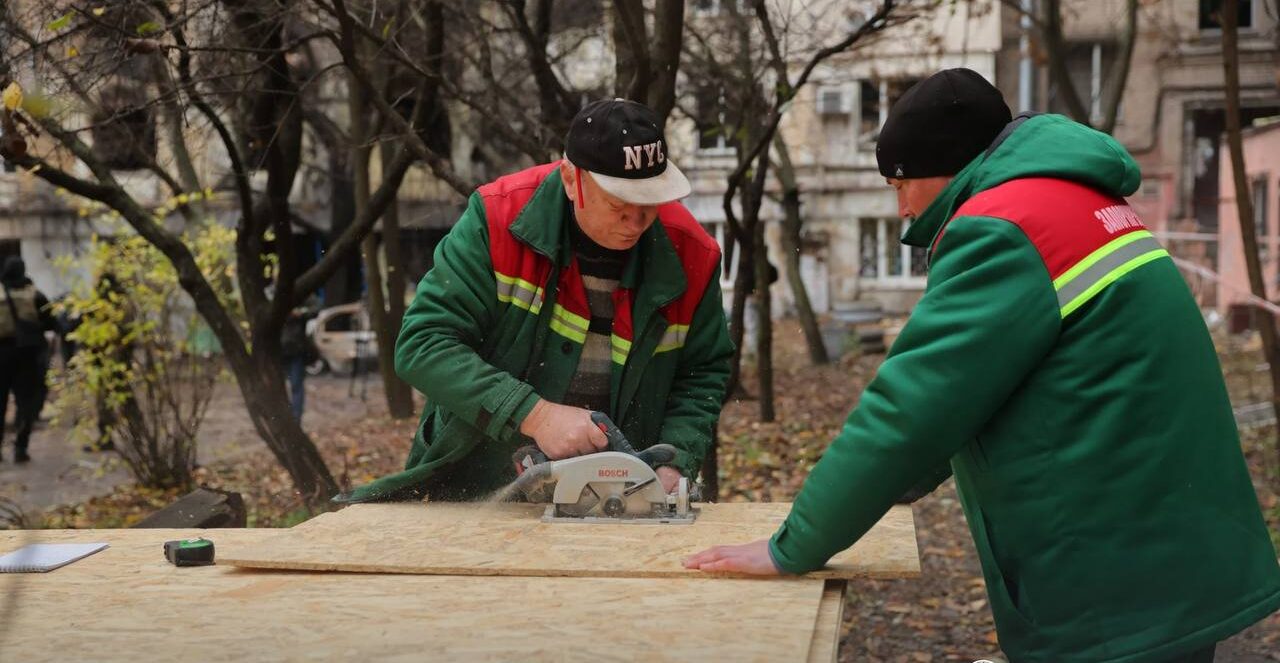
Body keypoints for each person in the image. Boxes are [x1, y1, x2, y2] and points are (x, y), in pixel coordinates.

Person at [683, 69, 1280, 662]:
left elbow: (911, 407)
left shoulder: (1001, 230)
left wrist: (794, 546)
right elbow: (990, 389)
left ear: (942, 170)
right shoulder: (1077, 199)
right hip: (1173, 546)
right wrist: (898, 482)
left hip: (1114, 583)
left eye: (899, 187)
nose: (901, 212)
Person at [342, 99, 733, 502]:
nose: (636, 222)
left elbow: (702, 372)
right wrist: (535, 415)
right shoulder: (497, 219)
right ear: (570, 179)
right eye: (618, 205)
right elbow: (422, 346)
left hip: (622, 497)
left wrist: (675, 461)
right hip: (475, 483)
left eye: (649, 203)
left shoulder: (692, 256)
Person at [0, 255, 55, 463]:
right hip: (27, 355)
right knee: (26, 403)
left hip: (1, 355)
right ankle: (20, 447)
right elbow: (51, 322)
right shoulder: (34, 294)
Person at [280, 294, 320, 421]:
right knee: (281, 386)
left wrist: (300, 313)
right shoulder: (270, 293)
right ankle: (286, 417)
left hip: (296, 349)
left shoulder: (298, 292)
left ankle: (296, 419)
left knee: (296, 385)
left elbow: (317, 307)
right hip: (279, 351)